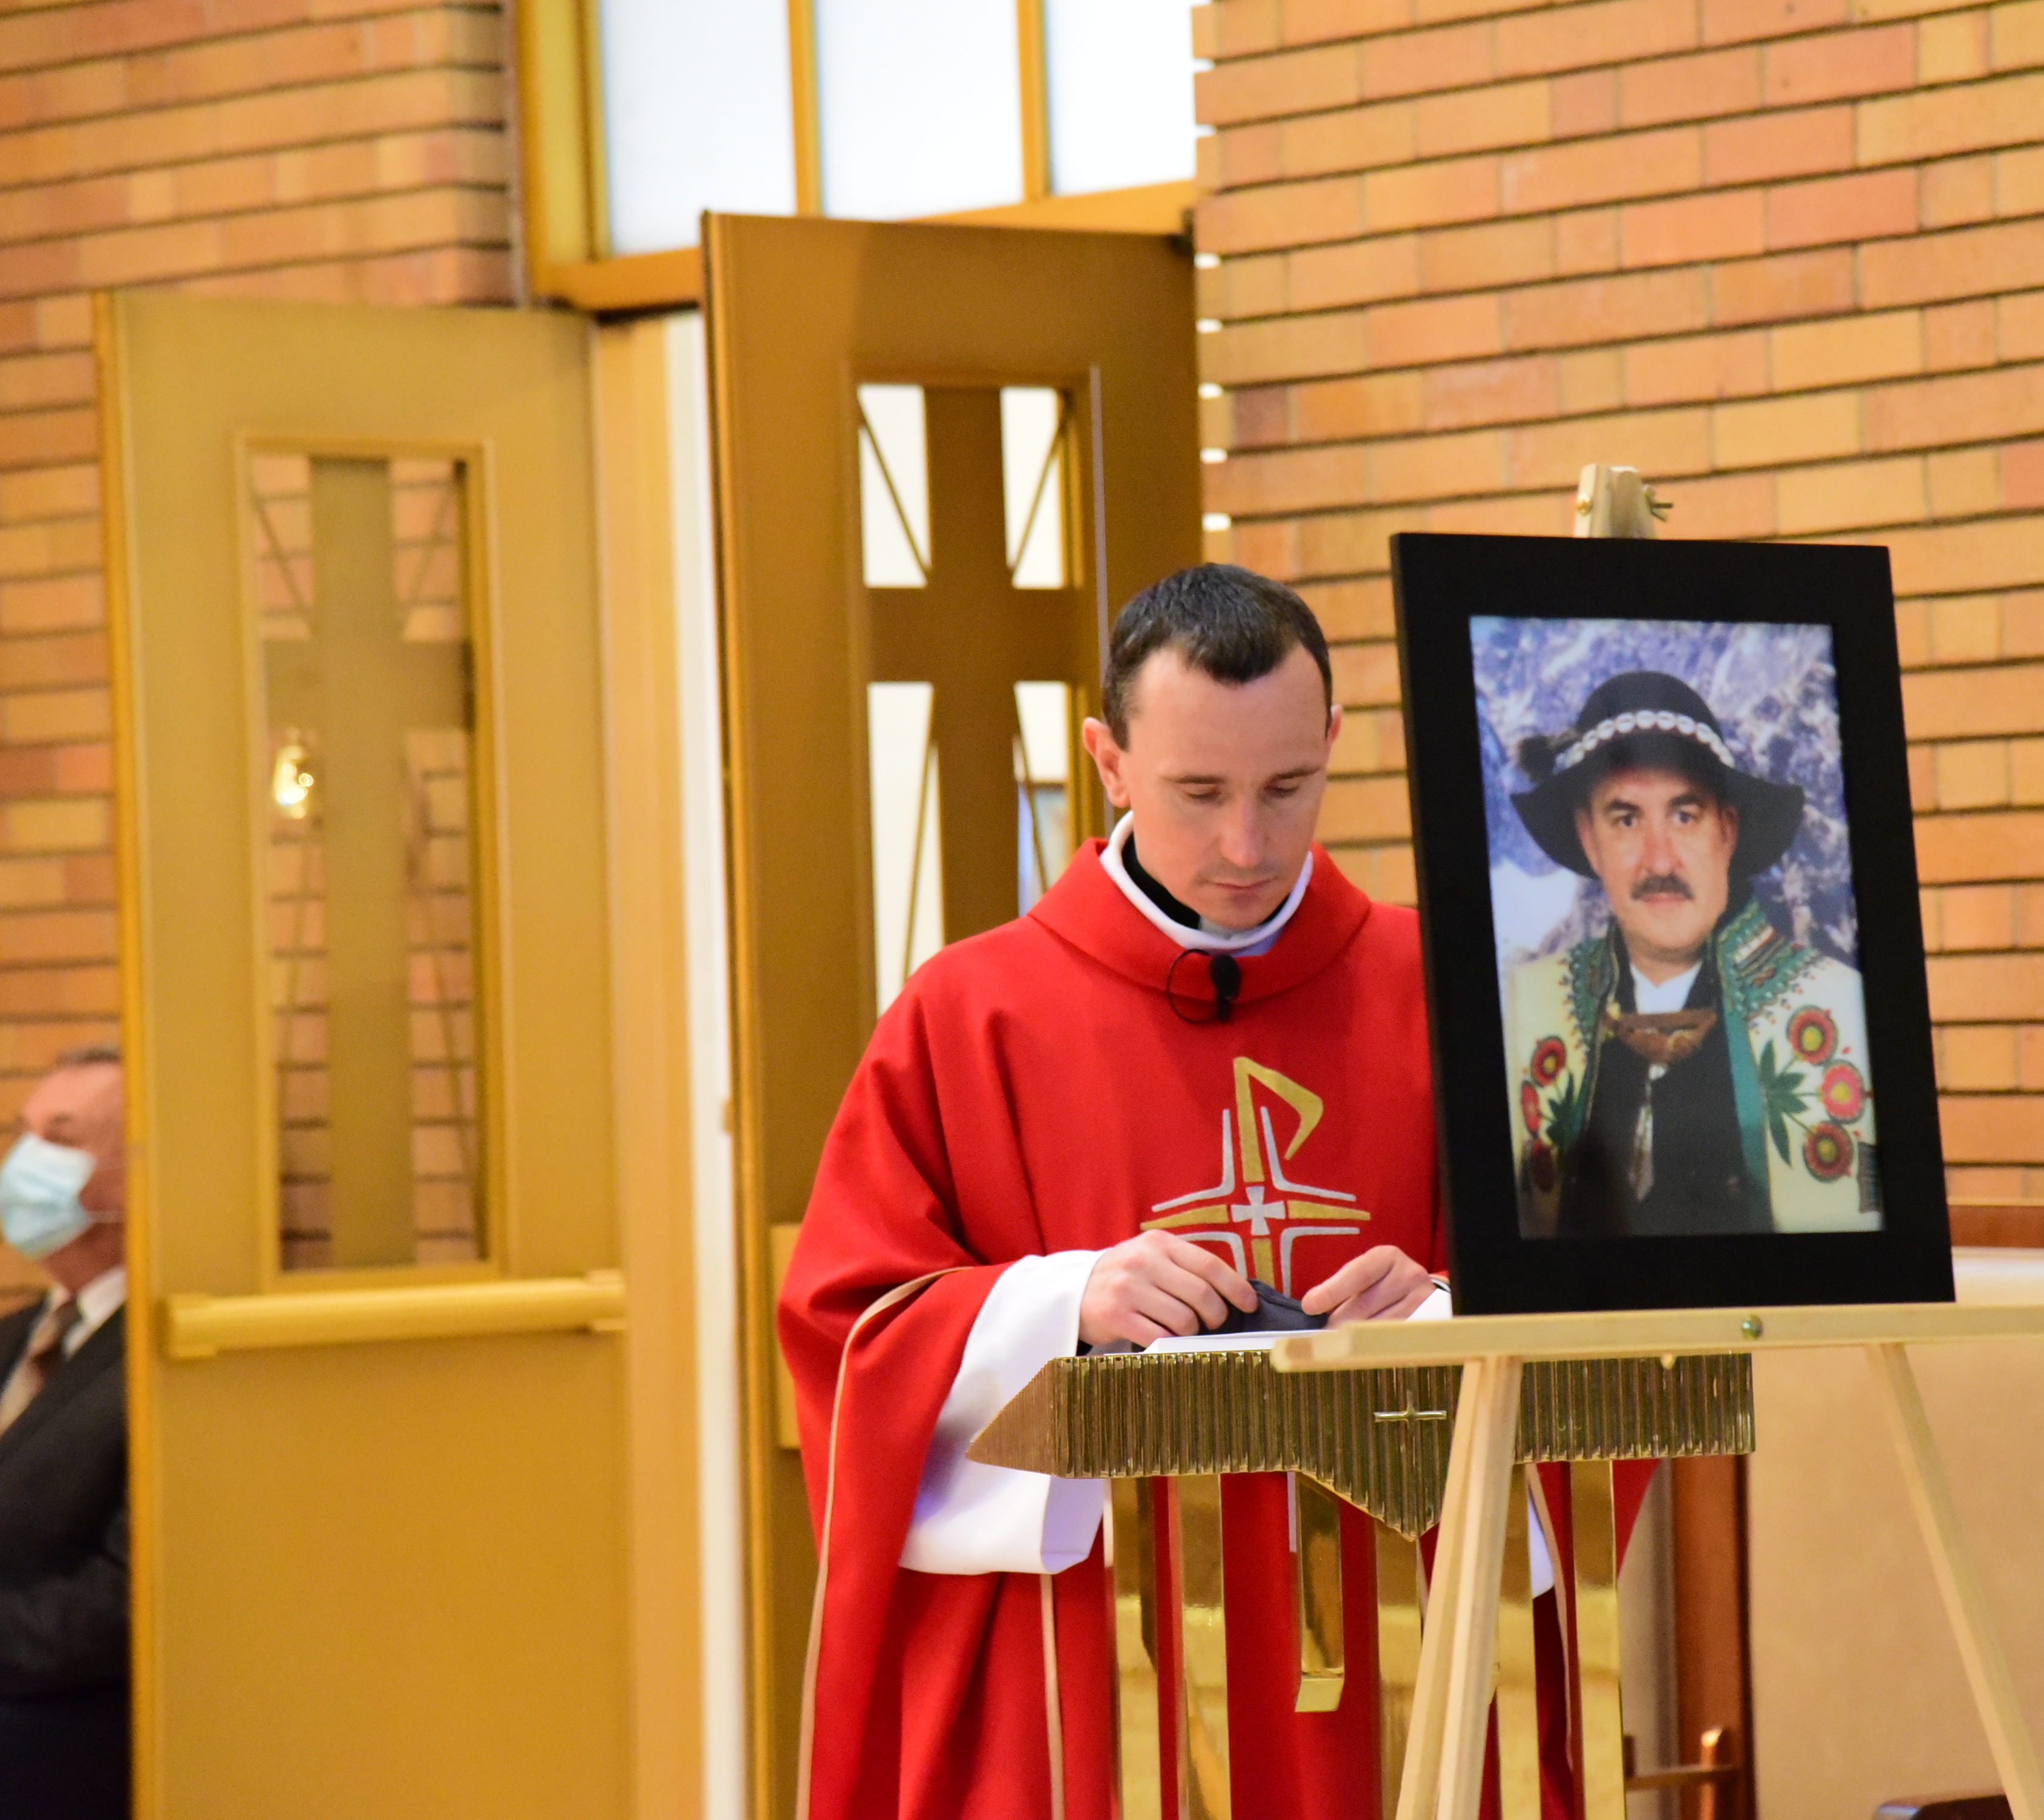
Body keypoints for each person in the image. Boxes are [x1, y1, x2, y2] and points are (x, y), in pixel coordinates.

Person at [780, 566, 1452, 1819]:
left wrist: (1447, 1311)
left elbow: (1586, 1308)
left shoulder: (1444, 994)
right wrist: (1060, 1303)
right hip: (1082, 1673)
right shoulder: (971, 1014)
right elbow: (847, 1328)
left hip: (1384, 1652)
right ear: (1109, 761)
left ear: (1331, 741)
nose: (1246, 845)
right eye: (1199, 792)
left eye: (1285, 787)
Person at [1502, 672, 1881, 1239]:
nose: (1660, 861)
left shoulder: (1844, 1010)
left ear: (1727, 831)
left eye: (1685, 816)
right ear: (1588, 838)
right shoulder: (1521, 1014)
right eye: (1626, 819)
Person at [0, 1046, 132, 1819]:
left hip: (45, 1737)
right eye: (22, 1132)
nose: (24, 1161)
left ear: (137, 1173)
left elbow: (126, 1597)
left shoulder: (164, 1368)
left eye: (60, 1136)